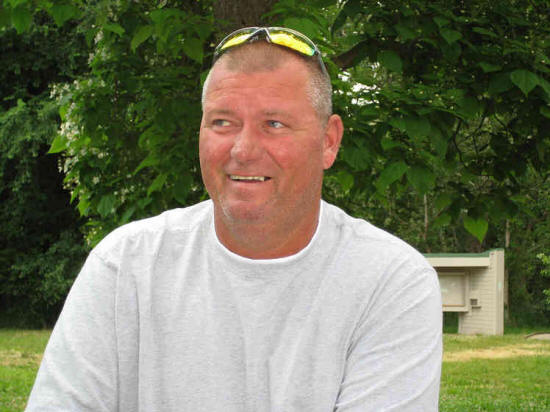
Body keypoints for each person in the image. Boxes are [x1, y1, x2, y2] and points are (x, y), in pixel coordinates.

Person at [26, 27, 442, 411]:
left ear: (328, 142)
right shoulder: (125, 267)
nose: (243, 150)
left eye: (274, 124)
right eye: (222, 122)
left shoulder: (389, 281)